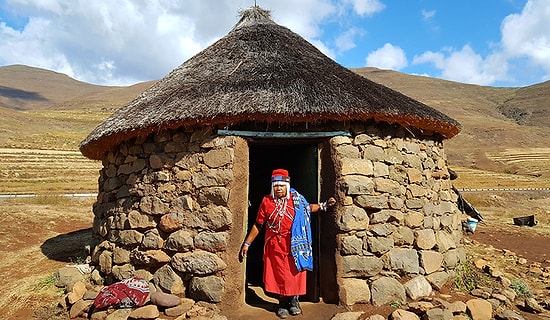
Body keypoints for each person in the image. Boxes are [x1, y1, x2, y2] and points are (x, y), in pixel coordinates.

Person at [239, 169, 336, 319]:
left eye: (282, 185)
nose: (278, 188)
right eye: (276, 185)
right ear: (272, 187)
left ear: (287, 185)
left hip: (295, 245)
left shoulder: (296, 199)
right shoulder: (267, 201)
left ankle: (294, 301)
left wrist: (324, 206)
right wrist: (247, 243)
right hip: (275, 246)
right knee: (279, 275)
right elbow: (258, 225)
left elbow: (309, 208)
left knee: (294, 273)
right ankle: (282, 303)